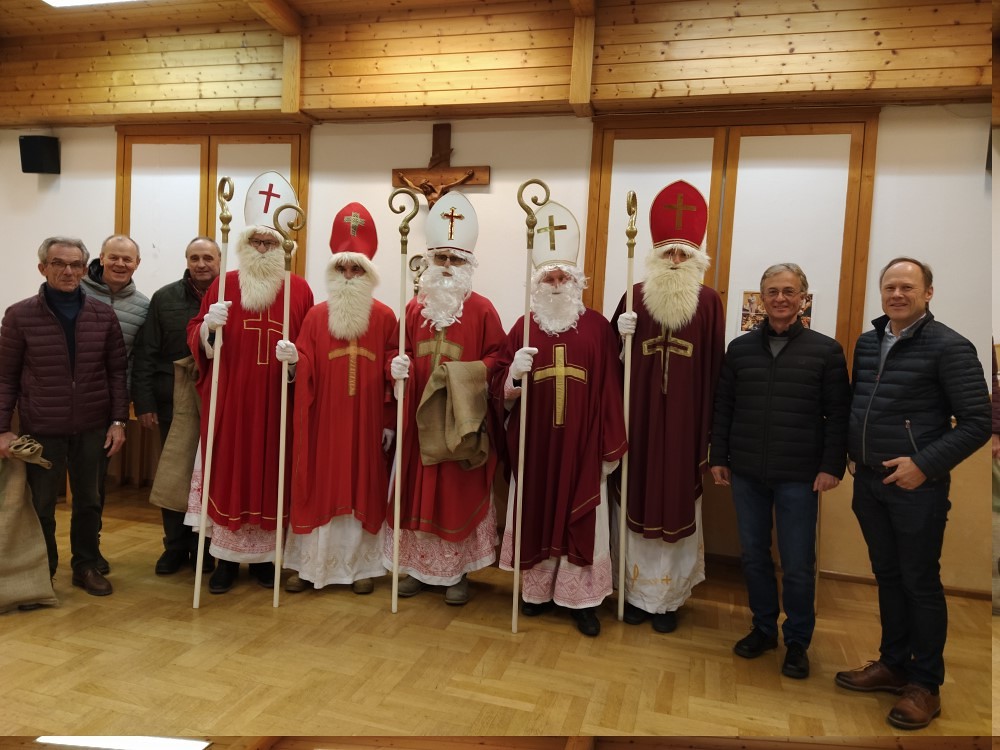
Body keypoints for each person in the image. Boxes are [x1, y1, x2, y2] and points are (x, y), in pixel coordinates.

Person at [834, 257, 989, 730]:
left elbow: (978, 423)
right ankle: (893, 664)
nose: (897, 294)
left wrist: (923, 465)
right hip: (869, 483)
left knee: (919, 583)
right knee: (887, 576)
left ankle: (925, 684)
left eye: (907, 286)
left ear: (928, 293)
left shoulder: (950, 346)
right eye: (890, 287)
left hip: (918, 489)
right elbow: (860, 405)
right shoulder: (867, 343)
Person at [489, 200, 627, 636]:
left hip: (583, 446)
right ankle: (536, 594)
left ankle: (581, 601)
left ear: (576, 282)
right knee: (535, 513)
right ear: (536, 284)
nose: (555, 284)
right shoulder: (523, 327)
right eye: (547, 278)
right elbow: (498, 387)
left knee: (583, 518)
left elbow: (612, 388)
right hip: (536, 447)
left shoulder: (598, 328)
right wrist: (513, 376)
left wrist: (609, 444)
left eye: (562, 277)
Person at [709, 263, 851, 679]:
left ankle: (798, 641)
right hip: (747, 471)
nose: (780, 298)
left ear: (803, 298)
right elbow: (724, 406)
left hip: (800, 475)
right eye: (772, 291)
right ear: (761, 298)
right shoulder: (739, 350)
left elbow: (838, 415)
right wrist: (719, 456)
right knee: (754, 556)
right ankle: (764, 629)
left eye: (789, 291)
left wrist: (831, 466)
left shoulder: (825, 351)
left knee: (797, 562)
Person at [186, 171, 314, 594]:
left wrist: (295, 362)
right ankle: (224, 561)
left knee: (272, 477)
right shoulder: (223, 286)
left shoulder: (299, 290)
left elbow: (309, 349)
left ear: (282, 247)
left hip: (277, 402)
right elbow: (196, 336)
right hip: (232, 399)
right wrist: (208, 326)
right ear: (243, 244)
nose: (262, 248)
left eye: (270, 243)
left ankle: (265, 561)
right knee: (229, 474)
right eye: (256, 241)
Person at [611, 180, 724, 633]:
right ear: (655, 256)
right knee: (636, 497)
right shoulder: (633, 297)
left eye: (683, 253)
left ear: (696, 258)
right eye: (668, 252)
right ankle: (635, 594)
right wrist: (620, 338)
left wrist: (709, 432)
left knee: (676, 502)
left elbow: (715, 368)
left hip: (683, 425)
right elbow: (612, 367)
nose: (675, 259)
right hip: (639, 422)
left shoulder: (709, 302)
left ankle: (669, 600)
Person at [387, 190, 505, 605]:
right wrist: (395, 367)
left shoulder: (483, 310)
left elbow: (498, 359)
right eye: (441, 258)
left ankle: (458, 574)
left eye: (456, 259)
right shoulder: (413, 309)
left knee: (456, 495)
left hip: (459, 421)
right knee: (418, 493)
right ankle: (419, 569)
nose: (448, 266)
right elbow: (395, 350)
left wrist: (461, 377)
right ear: (429, 262)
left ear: (468, 264)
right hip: (418, 421)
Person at [0, 237, 128, 596]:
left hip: (93, 426)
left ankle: (86, 566)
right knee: (41, 505)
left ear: (85, 269)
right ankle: (42, 571)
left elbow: (117, 372)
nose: (67, 271)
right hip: (42, 428)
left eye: (75, 265)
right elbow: (5, 377)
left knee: (89, 501)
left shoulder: (103, 315)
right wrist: (2, 429)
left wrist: (119, 421)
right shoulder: (19, 315)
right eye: (58, 263)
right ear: (43, 268)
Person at [283, 203, 396, 595]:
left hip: (366, 423)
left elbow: (392, 368)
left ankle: (362, 567)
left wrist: (389, 418)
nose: (349, 276)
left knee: (363, 486)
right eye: (343, 269)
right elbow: (305, 363)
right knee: (319, 485)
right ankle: (309, 567)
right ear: (333, 272)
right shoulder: (316, 317)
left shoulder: (385, 318)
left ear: (368, 273)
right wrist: (293, 361)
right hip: (324, 422)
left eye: (357, 269)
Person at [132, 236, 220, 575]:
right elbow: (147, 352)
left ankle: (205, 548)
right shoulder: (164, 298)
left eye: (207, 257)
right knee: (176, 473)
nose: (201, 264)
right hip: (173, 402)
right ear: (187, 260)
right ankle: (175, 546)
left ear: (219, 260)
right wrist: (144, 402)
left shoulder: (232, 297)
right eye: (194, 257)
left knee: (211, 478)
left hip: (218, 403)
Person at [80, 233, 149, 574]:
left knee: (94, 487)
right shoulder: (74, 292)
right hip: (58, 404)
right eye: (114, 257)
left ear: (137, 264)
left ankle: (89, 553)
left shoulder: (144, 306)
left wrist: (123, 410)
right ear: (101, 258)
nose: (120, 264)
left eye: (127, 259)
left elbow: (134, 362)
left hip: (106, 407)